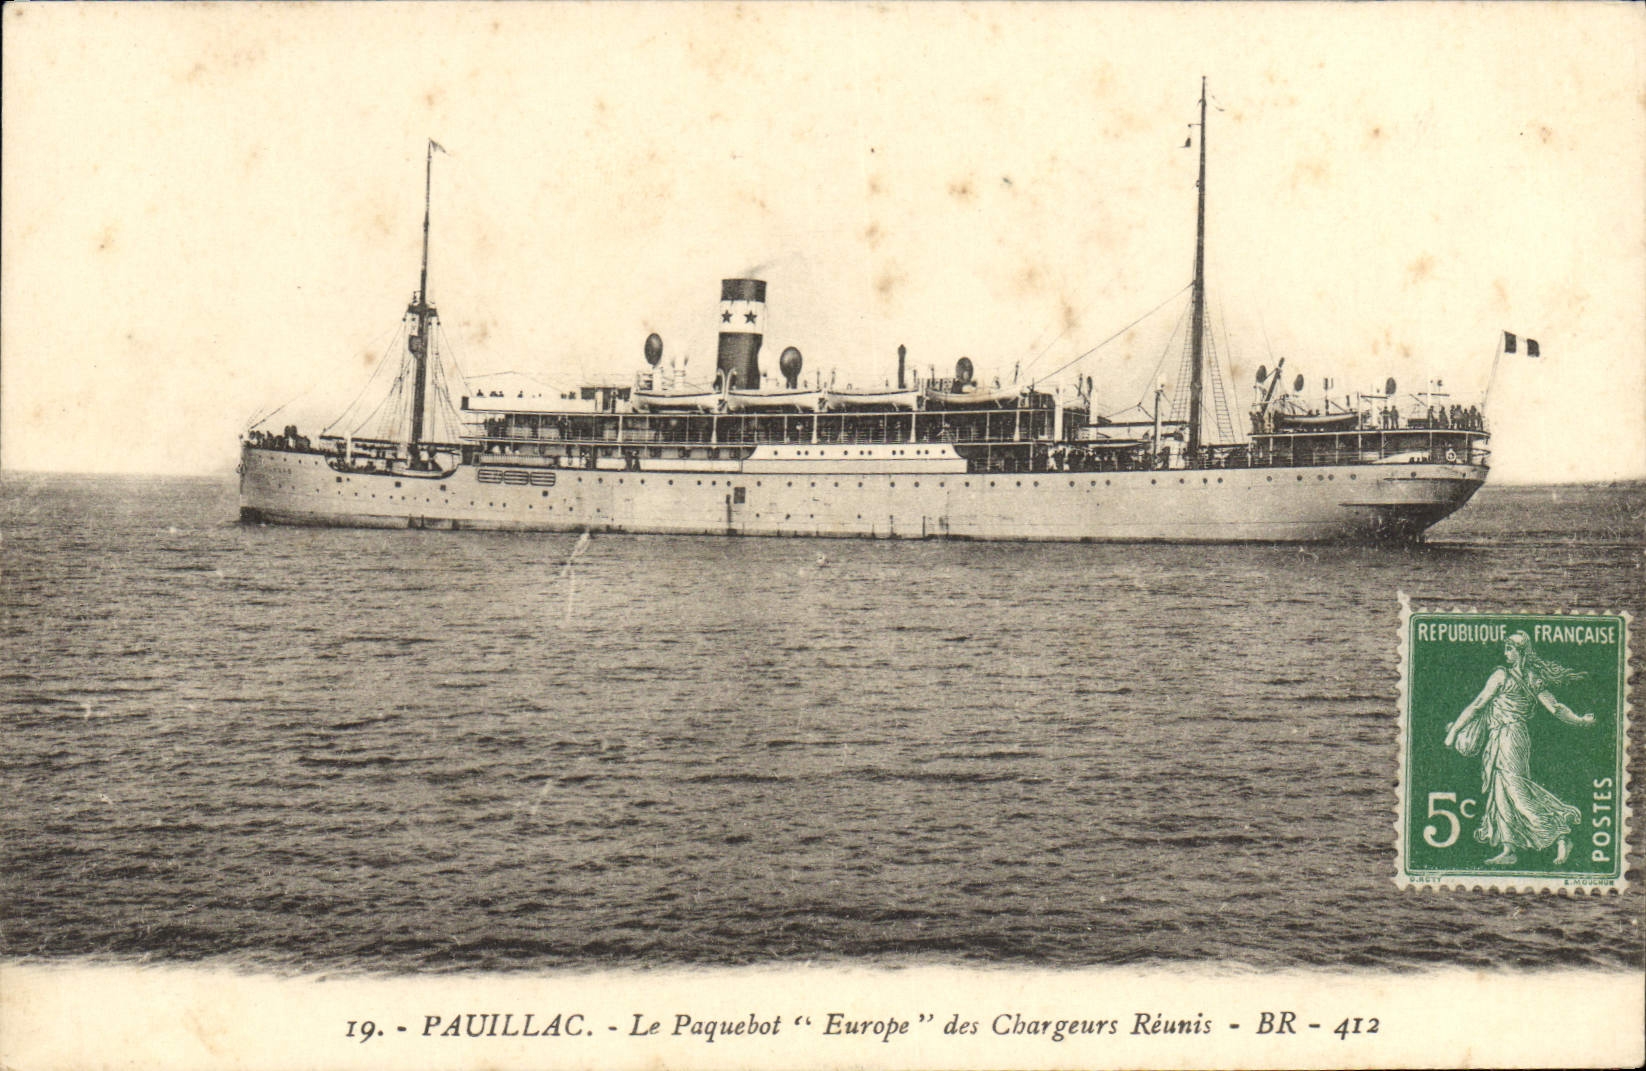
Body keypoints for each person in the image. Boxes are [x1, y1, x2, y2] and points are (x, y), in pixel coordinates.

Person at [1443, 631, 1594, 865]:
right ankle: (1508, 849)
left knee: (1517, 791)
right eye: (1505, 648)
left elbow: (1479, 705)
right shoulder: (1519, 676)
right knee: (1500, 791)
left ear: (1521, 651)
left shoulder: (1508, 676)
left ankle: (1561, 836)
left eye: (1510, 649)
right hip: (1501, 737)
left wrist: (1453, 733)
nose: (1505, 653)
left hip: (1511, 737)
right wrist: (1580, 720)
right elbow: (1480, 705)